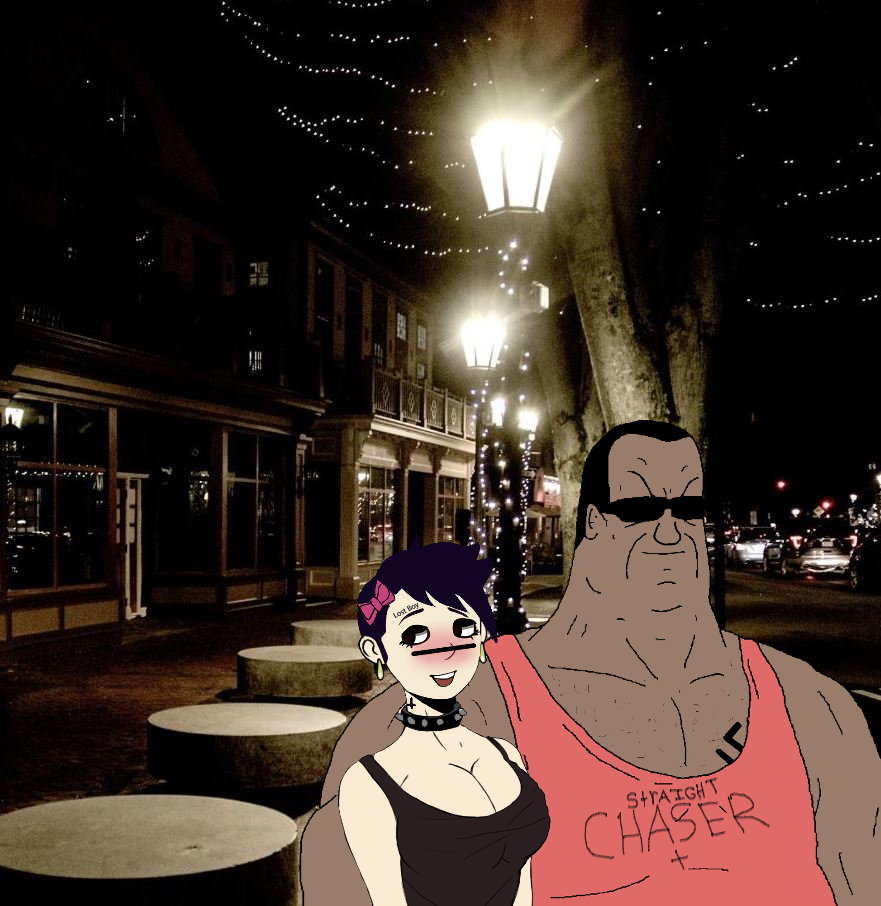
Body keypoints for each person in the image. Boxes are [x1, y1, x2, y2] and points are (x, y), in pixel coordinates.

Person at [301, 421, 881, 904]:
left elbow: (859, 870)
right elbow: (346, 871)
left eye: (687, 508)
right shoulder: (463, 709)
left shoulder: (810, 708)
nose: (670, 531)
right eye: (641, 509)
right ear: (595, 525)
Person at [336, 540, 550, 906]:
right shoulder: (368, 784)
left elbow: (525, 885)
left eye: (463, 628)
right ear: (376, 651)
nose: (446, 651)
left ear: (482, 636)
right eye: (416, 634)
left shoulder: (507, 754)